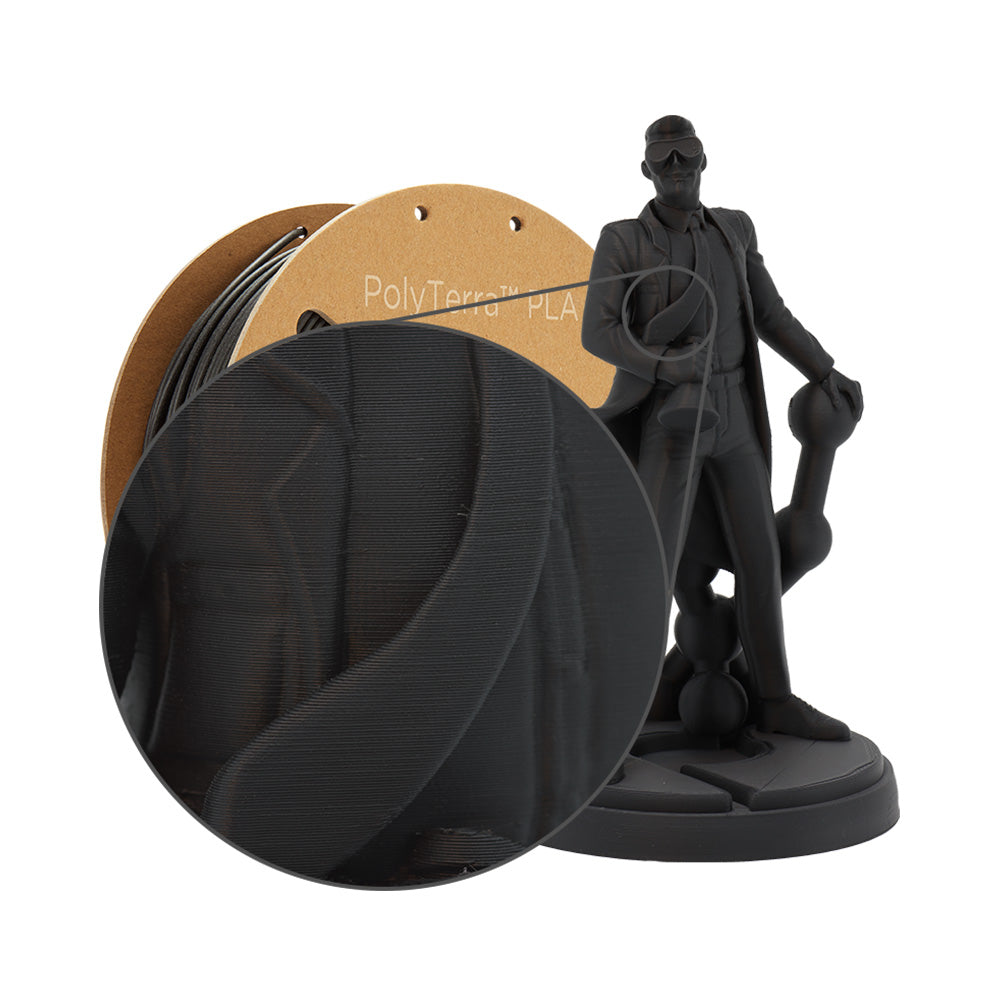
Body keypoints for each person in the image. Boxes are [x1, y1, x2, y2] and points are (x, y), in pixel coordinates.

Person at [582, 115, 862, 740]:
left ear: (705, 160)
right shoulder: (624, 240)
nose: (677, 168)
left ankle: (775, 698)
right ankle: (616, 719)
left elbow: (770, 314)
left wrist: (825, 369)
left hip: (733, 409)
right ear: (646, 170)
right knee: (651, 565)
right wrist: (662, 364)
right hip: (670, 416)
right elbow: (596, 332)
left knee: (760, 557)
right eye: (664, 159)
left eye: (687, 155)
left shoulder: (734, 230)